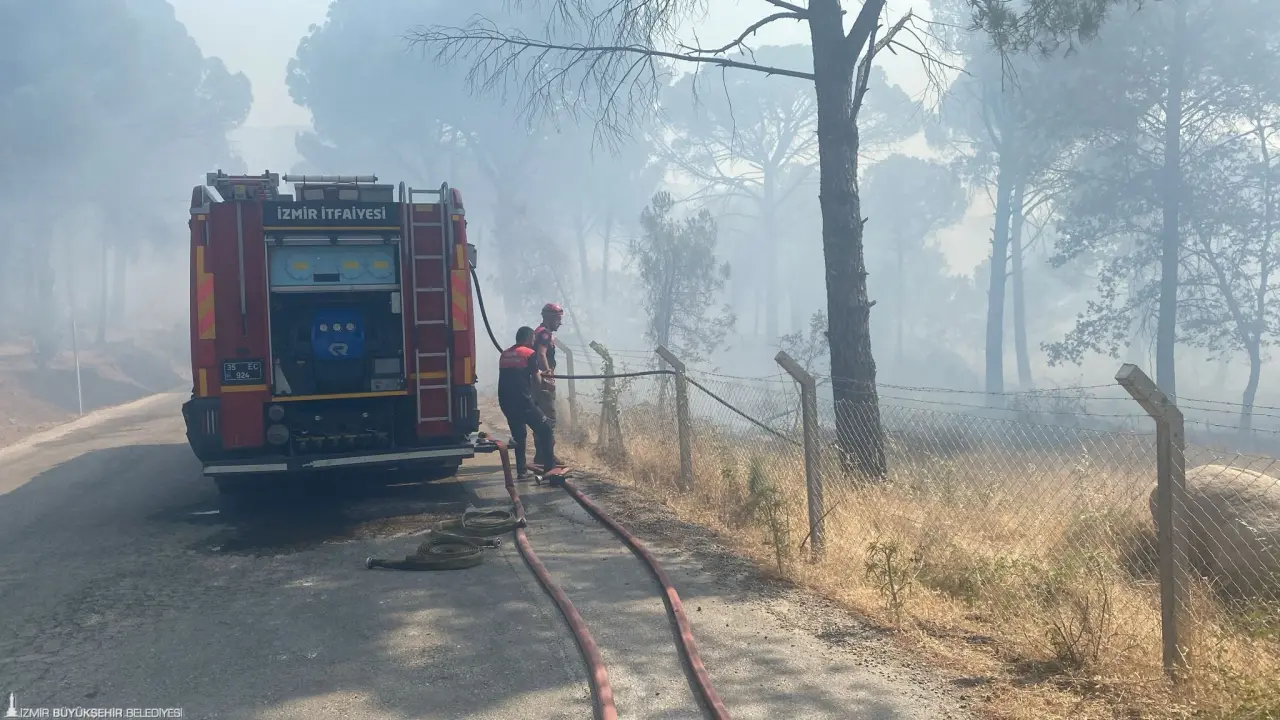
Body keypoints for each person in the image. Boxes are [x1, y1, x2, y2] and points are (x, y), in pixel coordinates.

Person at [497, 326, 554, 477]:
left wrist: (538, 373)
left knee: (519, 435)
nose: (534, 341)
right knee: (546, 429)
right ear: (529, 338)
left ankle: (521, 471)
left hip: (505, 402)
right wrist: (543, 386)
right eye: (533, 339)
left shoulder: (505, 354)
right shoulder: (529, 353)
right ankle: (550, 469)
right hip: (523, 400)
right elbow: (536, 380)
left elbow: (516, 373)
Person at [532, 302, 566, 469]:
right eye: (558, 319)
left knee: (539, 418)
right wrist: (548, 375)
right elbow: (541, 355)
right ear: (550, 318)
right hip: (542, 382)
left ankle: (541, 454)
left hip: (535, 381)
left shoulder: (538, 332)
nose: (560, 323)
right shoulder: (545, 334)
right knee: (548, 419)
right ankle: (547, 456)